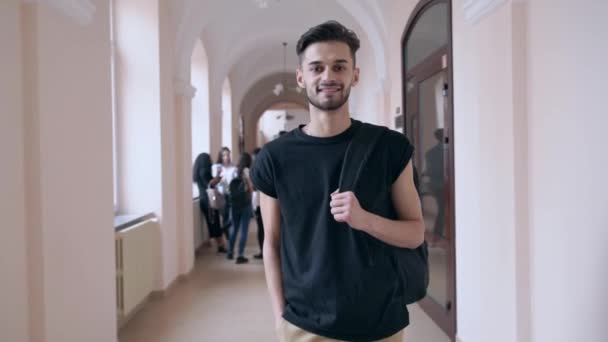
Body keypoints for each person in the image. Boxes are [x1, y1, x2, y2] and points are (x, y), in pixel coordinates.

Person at [250, 21, 425, 342]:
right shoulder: (274, 158)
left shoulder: (389, 148)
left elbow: (415, 233)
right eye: (317, 68)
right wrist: (281, 319)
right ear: (301, 77)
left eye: (339, 67)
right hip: (305, 326)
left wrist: (365, 219)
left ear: (354, 75)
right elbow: (271, 244)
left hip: (380, 322)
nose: (328, 76)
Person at [193, 152, 228, 253]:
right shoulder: (204, 171)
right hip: (209, 200)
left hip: (204, 199)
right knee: (215, 221)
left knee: (212, 221)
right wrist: (218, 178)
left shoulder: (198, 170)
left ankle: (216, 242)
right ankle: (220, 244)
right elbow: (210, 184)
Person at [227, 153, 254, 264]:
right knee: (243, 230)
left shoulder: (233, 171)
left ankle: (230, 252)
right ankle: (240, 255)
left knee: (234, 228)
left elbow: (228, 187)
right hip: (245, 204)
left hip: (234, 204)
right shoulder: (248, 171)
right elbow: (251, 189)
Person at [213, 147, 237, 237]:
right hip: (221, 195)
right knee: (225, 215)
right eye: (224, 155)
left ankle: (223, 230)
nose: (226, 157)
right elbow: (213, 181)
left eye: (228, 155)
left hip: (231, 194)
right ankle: (226, 234)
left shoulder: (233, 168)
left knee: (233, 216)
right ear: (221, 156)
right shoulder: (216, 167)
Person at [252, 148, 264, 259]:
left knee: (262, 230)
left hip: (260, 205)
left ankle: (262, 252)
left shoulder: (258, 170)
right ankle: (262, 251)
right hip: (259, 205)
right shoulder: (258, 170)